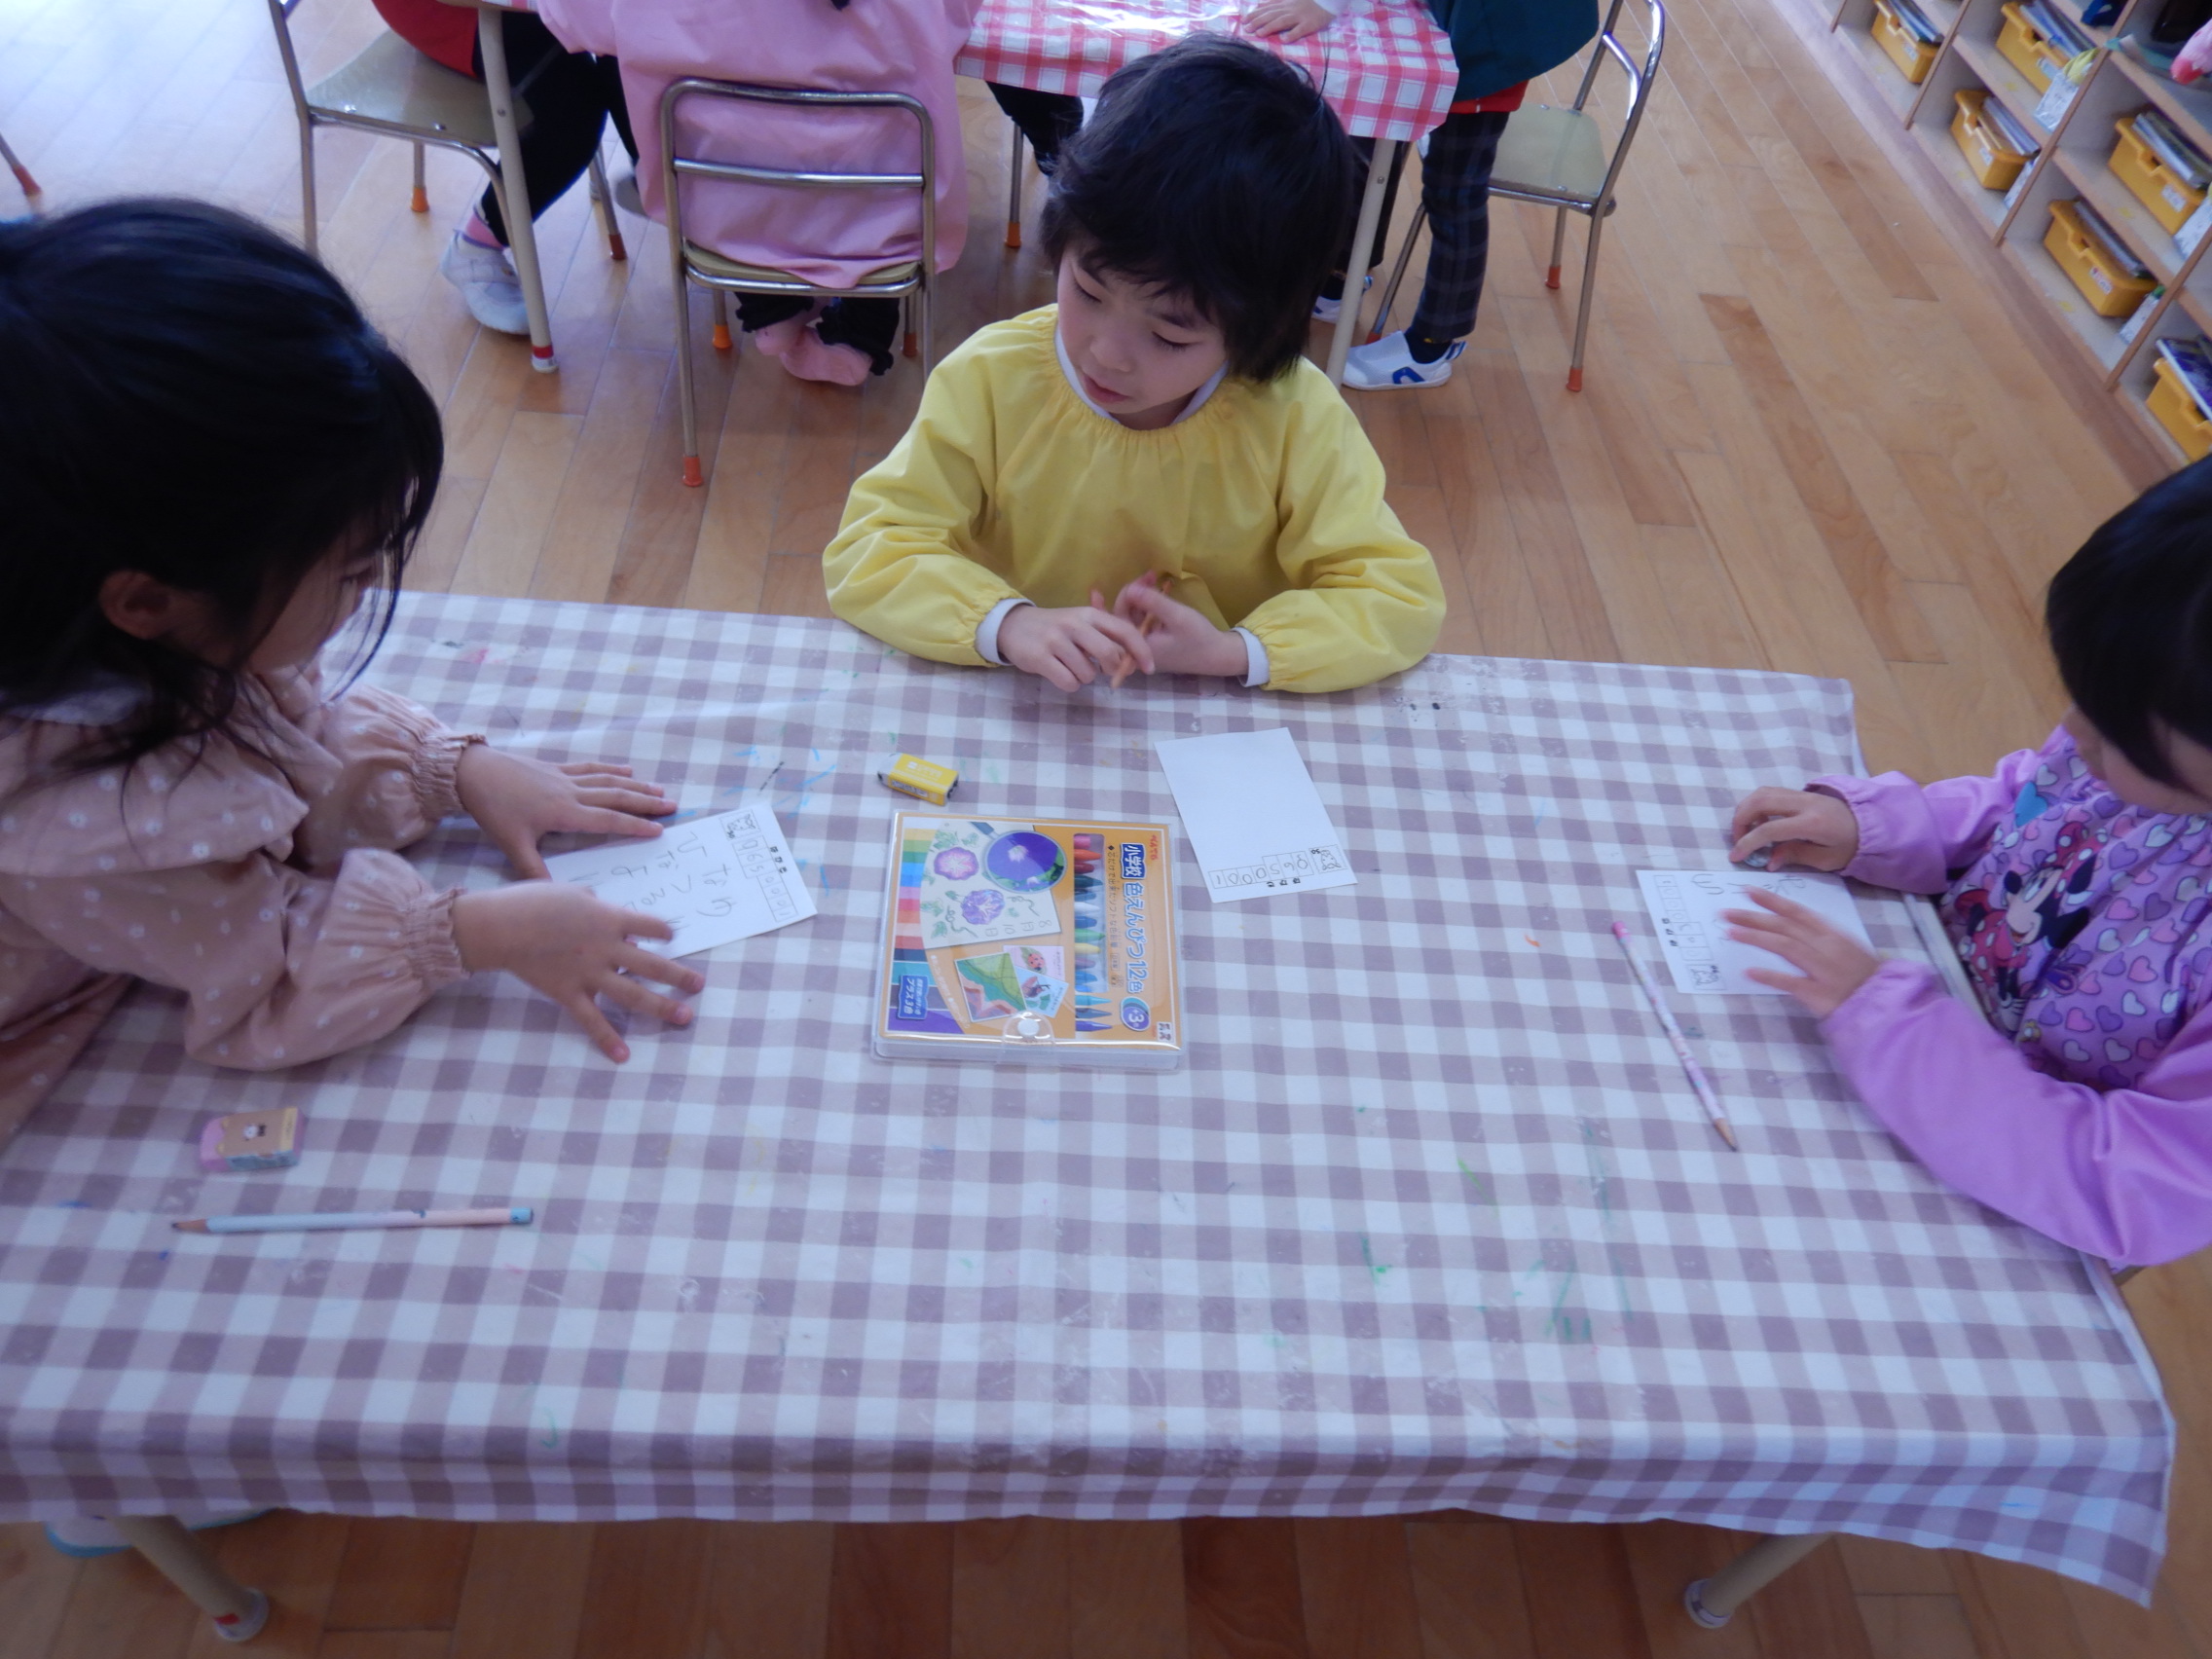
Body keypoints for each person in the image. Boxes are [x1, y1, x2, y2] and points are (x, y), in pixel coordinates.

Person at [0, 201, 705, 1153]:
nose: (371, 589)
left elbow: (277, 746)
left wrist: (451, 769)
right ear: (148, 600)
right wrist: (471, 932)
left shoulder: (135, 624)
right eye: (351, 571)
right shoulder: (80, 818)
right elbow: (267, 972)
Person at [822, 36, 1447, 695]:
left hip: (1210, 713)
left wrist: (1237, 651)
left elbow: (1395, 598)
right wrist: (1007, 622)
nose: (1106, 354)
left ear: (1257, 331)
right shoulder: (991, 379)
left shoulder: (1295, 415)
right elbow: (873, 547)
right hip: (1029, 693)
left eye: (1170, 336)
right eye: (1088, 292)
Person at [1722, 460, 2212, 1267]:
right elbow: (2026, 804)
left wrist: (1894, 1024)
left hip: (2019, 1215)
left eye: (2117, 732)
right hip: (1910, 1037)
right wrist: (1880, 828)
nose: (2073, 731)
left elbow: (2131, 1186)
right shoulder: (2138, 733)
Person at [538, 0, 977, 384]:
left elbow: (572, 18)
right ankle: (861, 334)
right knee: (877, 146)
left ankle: (772, 309)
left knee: (718, 152)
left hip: (728, 207)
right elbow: (955, 22)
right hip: (881, 213)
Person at [1320, 0, 1600, 390]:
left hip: (1489, 36)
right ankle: (1340, 276)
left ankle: (1429, 349)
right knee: (1372, 134)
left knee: (1454, 191)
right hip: (1452, 20)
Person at [371, 0, 637, 336]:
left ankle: (660, 176)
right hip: (457, 11)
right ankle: (476, 247)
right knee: (576, 106)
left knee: (638, 27)